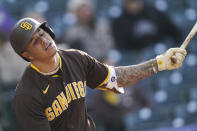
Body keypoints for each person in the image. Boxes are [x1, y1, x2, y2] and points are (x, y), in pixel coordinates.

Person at [10, 18, 186, 131]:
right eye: (34, 41)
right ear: (27, 55)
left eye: (42, 33)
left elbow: (115, 78)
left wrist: (159, 63)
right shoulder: (26, 95)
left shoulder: (75, 58)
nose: (43, 40)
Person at [112, 0, 181, 51]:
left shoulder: (154, 12)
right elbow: (122, 49)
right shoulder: (119, 22)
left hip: (161, 51)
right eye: (131, 2)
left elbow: (174, 32)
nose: (134, 4)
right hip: (137, 59)